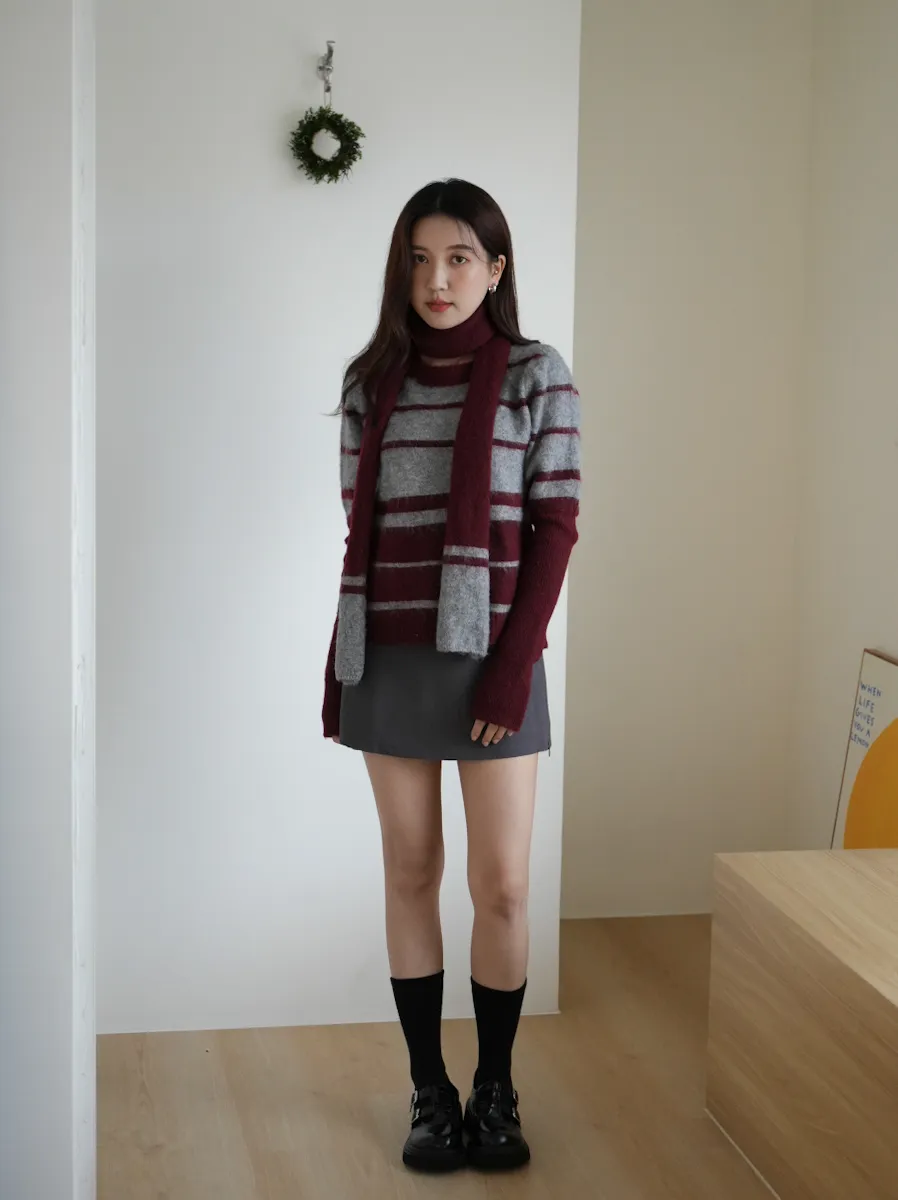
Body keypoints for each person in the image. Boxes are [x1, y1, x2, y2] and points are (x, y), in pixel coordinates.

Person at [322, 178, 581, 1173]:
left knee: (503, 886)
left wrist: (512, 669)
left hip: (493, 664)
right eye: (420, 259)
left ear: (496, 268)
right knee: (412, 871)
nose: (438, 279)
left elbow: (556, 527)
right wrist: (342, 669)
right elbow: (362, 531)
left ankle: (496, 1089)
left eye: (460, 258)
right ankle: (430, 1092)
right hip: (388, 657)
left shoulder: (536, 376)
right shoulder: (369, 385)